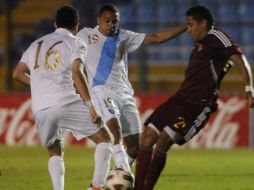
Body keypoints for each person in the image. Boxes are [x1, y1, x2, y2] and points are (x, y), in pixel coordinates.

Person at [134, 5, 254, 190]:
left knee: (164, 140)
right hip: (180, 99)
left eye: (191, 25)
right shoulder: (201, 42)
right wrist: (185, 26)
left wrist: (249, 88)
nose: (188, 29)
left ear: (203, 23)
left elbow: (240, 60)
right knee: (147, 137)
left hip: (198, 105)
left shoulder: (217, 37)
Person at [76, 4, 187, 172]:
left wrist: (185, 27)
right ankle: (123, 174)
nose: (111, 25)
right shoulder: (85, 35)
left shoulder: (124, 36)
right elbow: (65, 47)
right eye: (107, 21)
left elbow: (156, 37)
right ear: (98, 20)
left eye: (115, 21)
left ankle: (117, 175)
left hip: (125, 95)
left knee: (135, 148)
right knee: (115, 129)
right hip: (102, 91)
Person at [12, 5, 112, 190]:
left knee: (55, 150)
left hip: (40, 108)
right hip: (65, 101)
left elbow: (17, 73)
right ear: (77, 25)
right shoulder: (75, 43)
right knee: (105, 139)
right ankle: (97, 186)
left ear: (55, 24)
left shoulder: (36, 44)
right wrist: (91, 107)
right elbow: (76, 74)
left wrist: (38, 84)